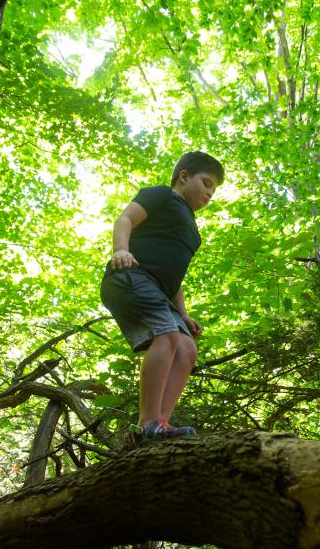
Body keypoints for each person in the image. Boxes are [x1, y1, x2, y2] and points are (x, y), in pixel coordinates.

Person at [100, 151, 224, 442]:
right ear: (184, 176)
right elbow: (125, 219)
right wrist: (120, 250)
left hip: (161, 291)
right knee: (166, 337)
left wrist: (183, 313)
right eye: (206, 183)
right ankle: (148, 423)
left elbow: (175, 277)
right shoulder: (162, 196)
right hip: (132, 275)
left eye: (213, 189)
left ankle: (158, 426)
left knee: (186, 350)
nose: (209, 193)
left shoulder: (193, 231)